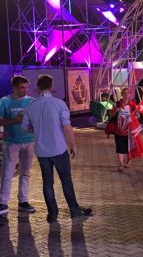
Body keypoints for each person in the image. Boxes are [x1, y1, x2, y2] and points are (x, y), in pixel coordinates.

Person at [21, 74, 92, 223]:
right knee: (66, 180)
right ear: (51, 86)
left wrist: (39, 128)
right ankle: (74, 210)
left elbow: (25, 129)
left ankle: (52, 213)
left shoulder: (30, 106)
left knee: (48, 183)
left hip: (41, 151)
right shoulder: (59, 104)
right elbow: (67, 127)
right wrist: (73, 145)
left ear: (38, 87)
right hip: (58, 149)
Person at [0, 76, 36, 215]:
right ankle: (3, 202)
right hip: (11, 142)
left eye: (26, 87)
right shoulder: (4, 102)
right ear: (14, 87)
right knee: (8, 172)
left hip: (29, 140)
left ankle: (23, 201)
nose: (25, 90)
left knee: (25, 172)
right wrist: (15, 120)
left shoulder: (31, 101)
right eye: (22, 87)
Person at [108, 87, 143, 170]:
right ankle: (121, 164)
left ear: (129, 94)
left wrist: (132, 118)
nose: (126, 95)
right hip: (118, 130)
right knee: (120, 148)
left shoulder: (132, 105)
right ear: (121, 95)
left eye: (127, 93)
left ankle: (129, 162)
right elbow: (111, 115)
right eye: (124, 93)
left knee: (129, 147)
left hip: (129, 130)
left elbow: (138, 115)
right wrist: (115, 111)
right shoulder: (117, 104)